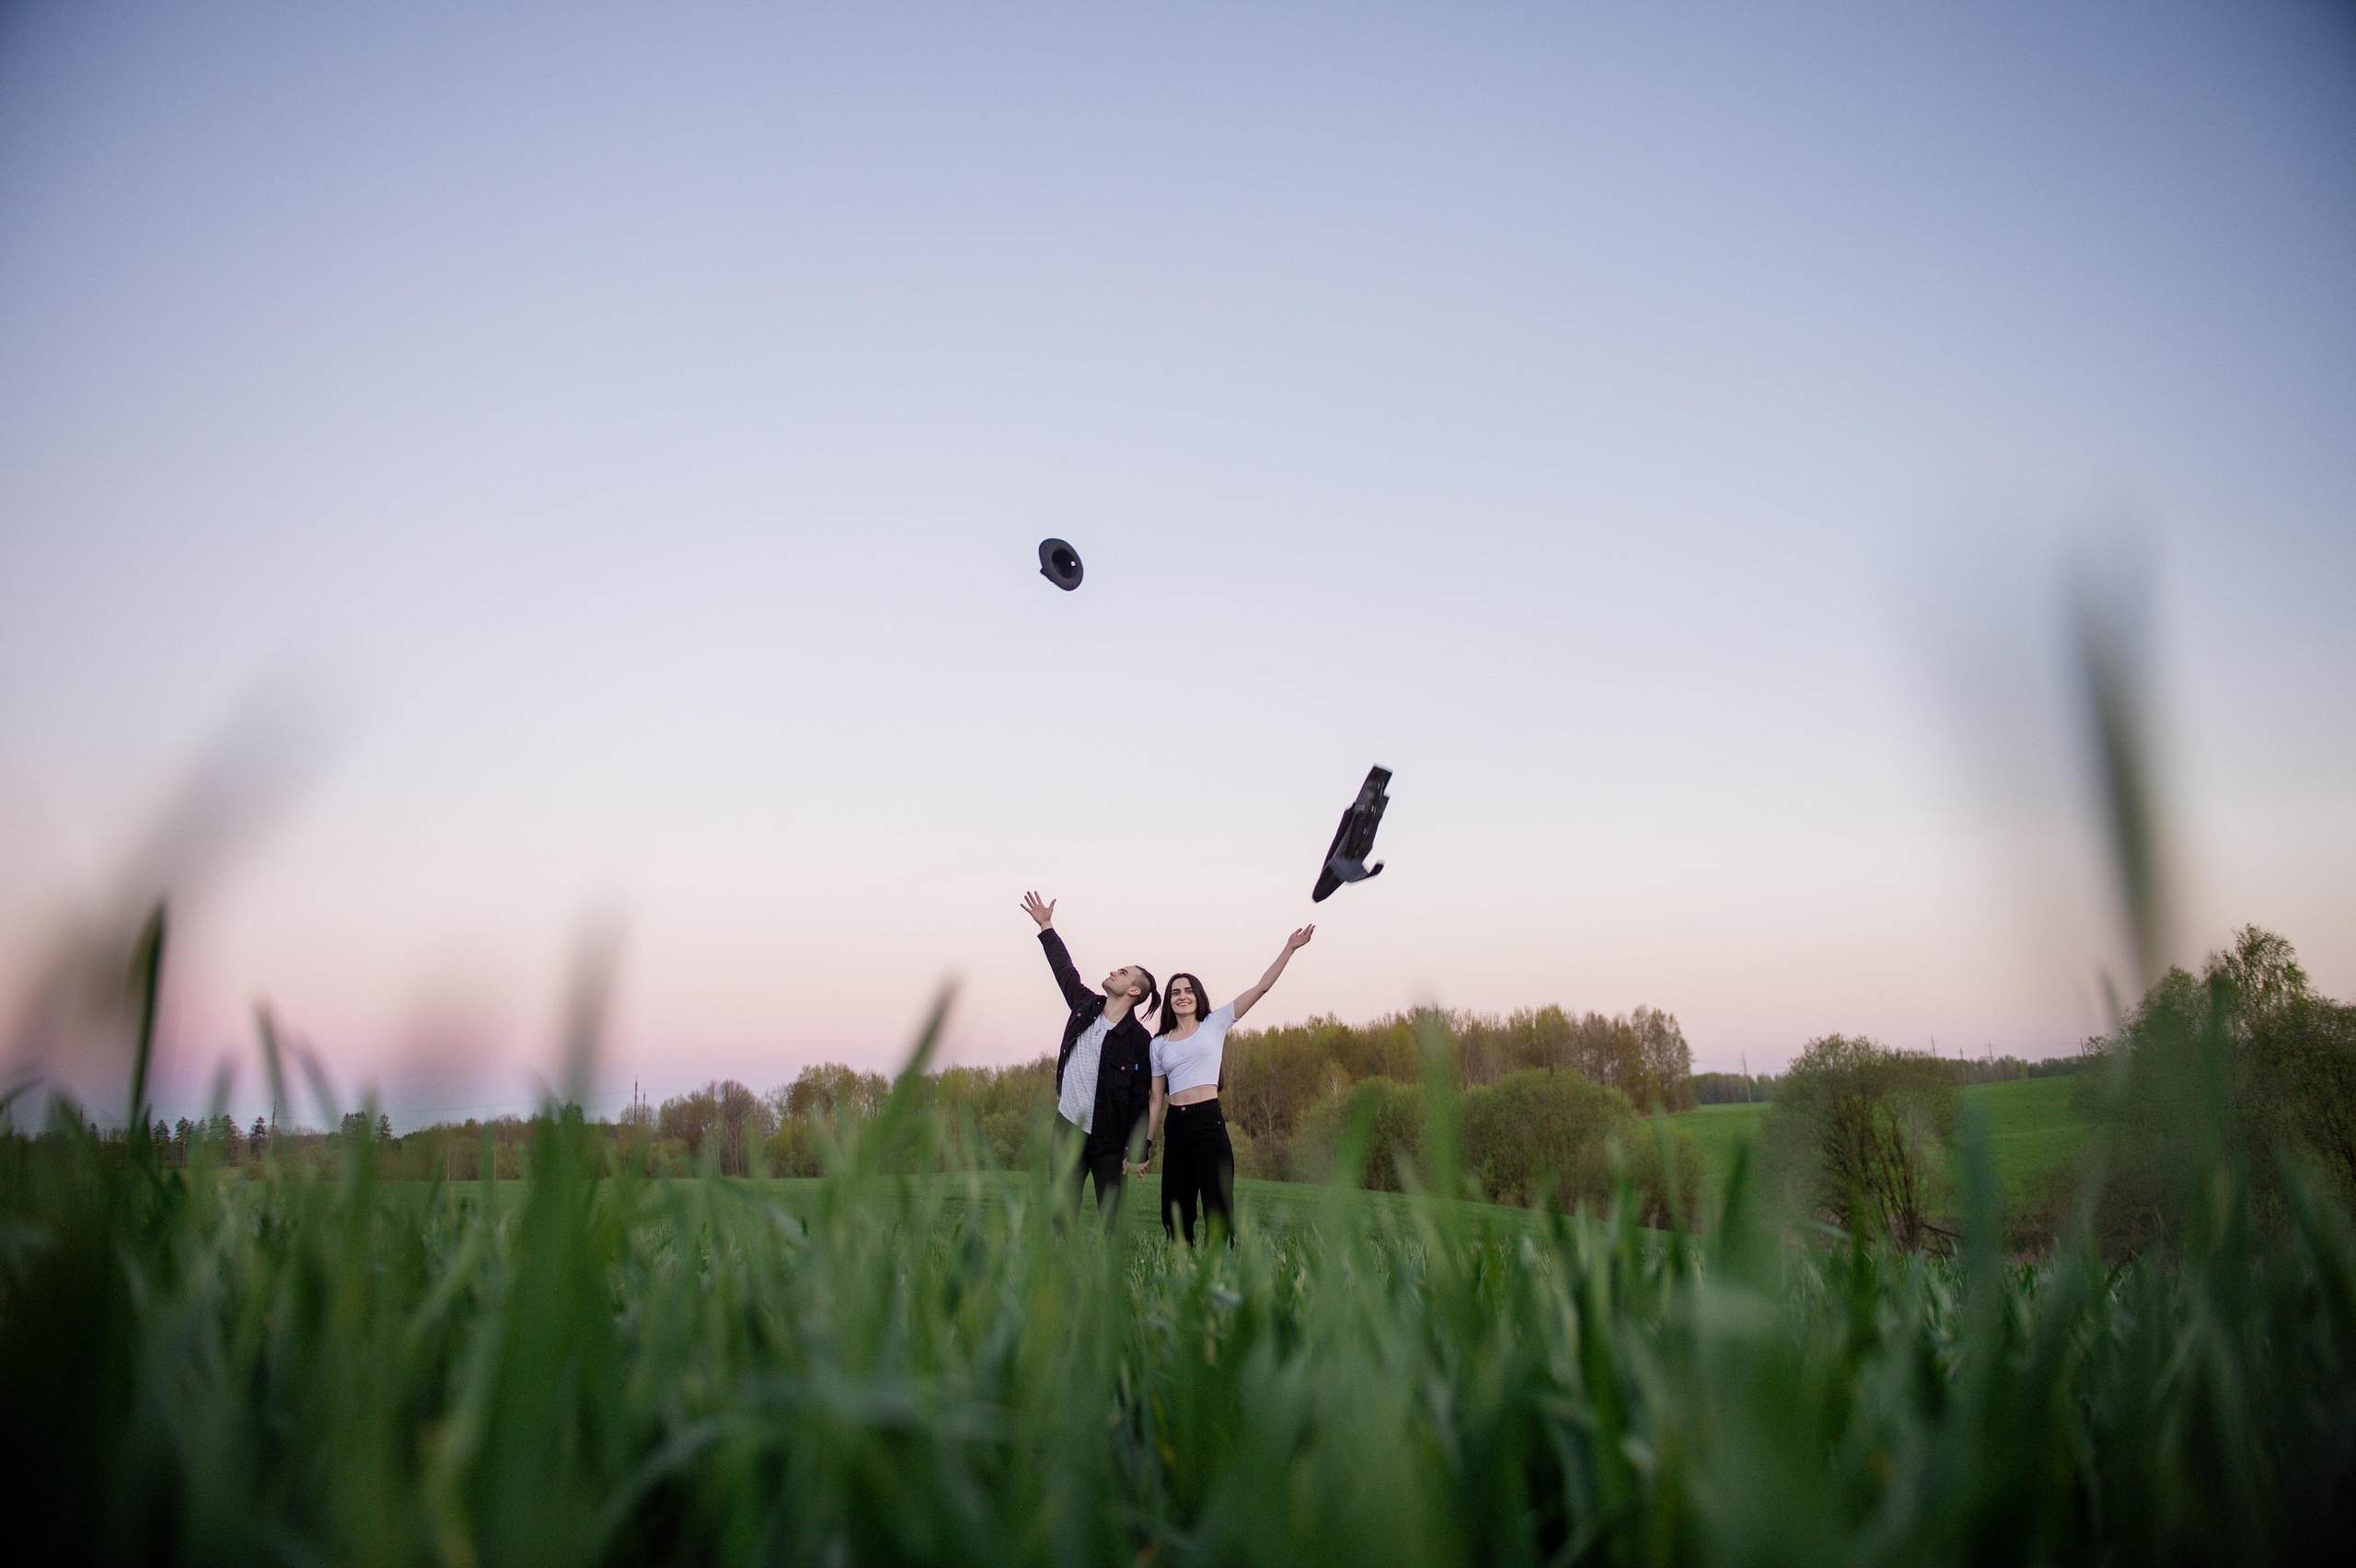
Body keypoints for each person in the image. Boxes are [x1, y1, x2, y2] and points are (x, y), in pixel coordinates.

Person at [1145, 926, 1313, 1244]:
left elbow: (1262, 987)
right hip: (1176, 1126)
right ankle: (1181, 1271)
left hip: (1209, 1121)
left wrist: (1289, 948)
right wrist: (1146, 1144)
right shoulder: (1159, 1044)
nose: (1182, 996)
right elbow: (1155, 1100)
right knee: (1175, 1210)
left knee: (1218, 1205)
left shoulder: (1215, 1022)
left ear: (1198, 996)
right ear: (1169, 1001)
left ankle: (1220, 1272)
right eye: (1175, 992)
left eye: (1188, 991)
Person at [1022, 891, 1157, 1223]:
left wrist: (1137, 1151)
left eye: (1122, 973)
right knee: (1060, 1218)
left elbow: (1141, 1100)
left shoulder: (1140, 1040)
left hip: (1108, 1142)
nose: (1114, 972)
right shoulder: (1085, 1007)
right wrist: (1046, 925)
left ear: (1134, 991)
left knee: (1112, 1222)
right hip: (1066, 1129)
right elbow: (1064, 970)